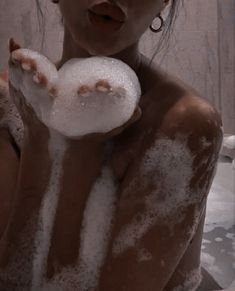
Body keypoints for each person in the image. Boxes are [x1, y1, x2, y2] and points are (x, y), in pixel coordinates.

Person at [0, 0, 223, 290]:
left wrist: (81, 155)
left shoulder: (184, 124)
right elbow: (9, 277)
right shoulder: (10, 100)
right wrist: (38, 143)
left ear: (163, 4)